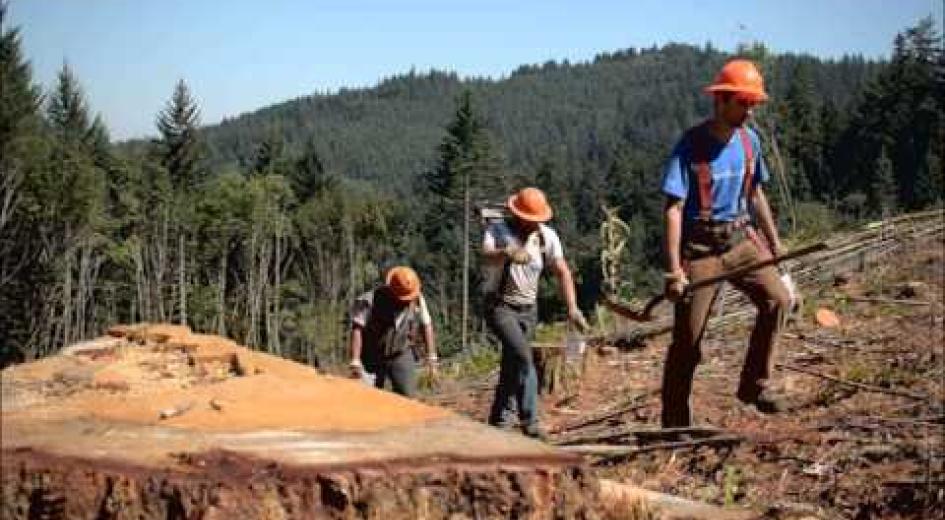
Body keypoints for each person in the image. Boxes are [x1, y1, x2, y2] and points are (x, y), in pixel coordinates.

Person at [660, 59, 792, 428]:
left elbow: (756, 195)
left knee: (778, 300)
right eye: (742, 104)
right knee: (688, 339)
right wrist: (674, 271)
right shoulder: (691, 145)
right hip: (700, 251)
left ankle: (755, 385)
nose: (749, 112)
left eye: (753, 104)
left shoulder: (751, 142)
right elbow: (673, 209)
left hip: (739, 241)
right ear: (721, 100)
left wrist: (774, 242)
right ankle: (674, 422)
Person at [482, 187, 589, 438]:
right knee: (523, 356)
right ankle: (530, 421)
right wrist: (504, 252)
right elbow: (485, 255)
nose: (535, 224)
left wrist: (572, 308)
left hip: (529, 309)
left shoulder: (546, 237)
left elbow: (562, 271)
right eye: (532, 220)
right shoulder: (498, 231)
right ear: (518, 215)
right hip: (500, 306)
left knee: (513, 360)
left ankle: (499, 419)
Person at [348, 266, 437, 397]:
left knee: (408, 396)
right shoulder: (369, 301)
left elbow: (427, 325)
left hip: (400, 352)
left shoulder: (417, 299)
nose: (407, 301)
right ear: (391, 291)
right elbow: (357, 329)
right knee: (367, 397)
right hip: (371, 355)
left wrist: (431, 358)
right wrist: (355, 360)